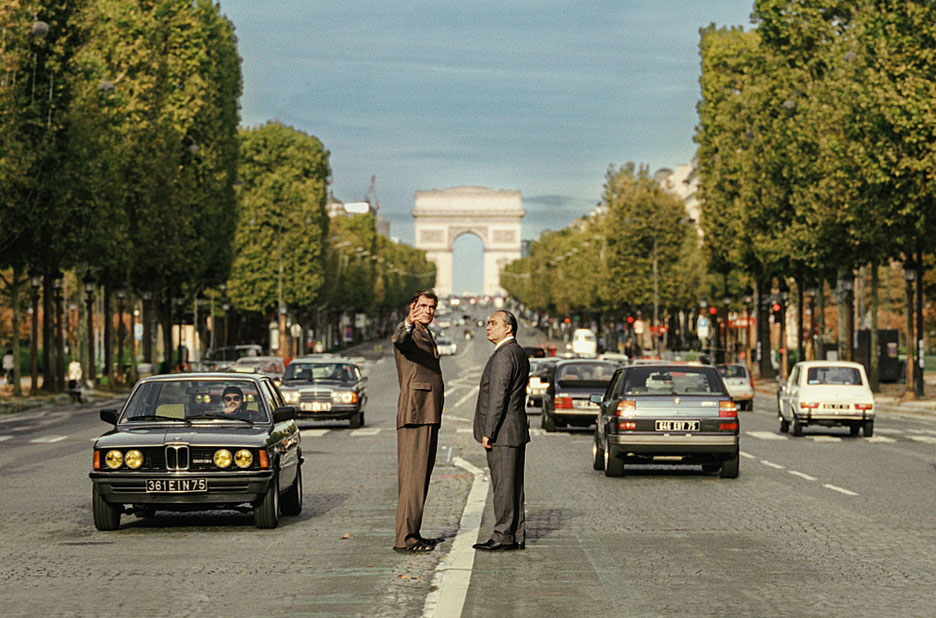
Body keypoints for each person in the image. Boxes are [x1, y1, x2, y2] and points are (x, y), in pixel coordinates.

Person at [391, 289, 445, 553]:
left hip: (426, 412)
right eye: (423, 306)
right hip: (416, 412)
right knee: (413, 478)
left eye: (432, 307)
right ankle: (405, 538)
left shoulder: (426, 332)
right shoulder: (410, 332)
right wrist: (408, 324)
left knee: (419, 477)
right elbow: (400, 340)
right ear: (412, 308)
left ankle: (413, 532)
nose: (428, 310)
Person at [472, 309, 530, 551]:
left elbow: (498, 396)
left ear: (508, 328)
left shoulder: (504, 355)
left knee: (504, 486)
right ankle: (515, 534)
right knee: (514, 486)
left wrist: (489, 431)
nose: (488, 327)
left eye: (494, 323)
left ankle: (502, 535)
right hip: (514, 429)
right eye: (488, 323)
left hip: (503, 432)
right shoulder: (518, 352)